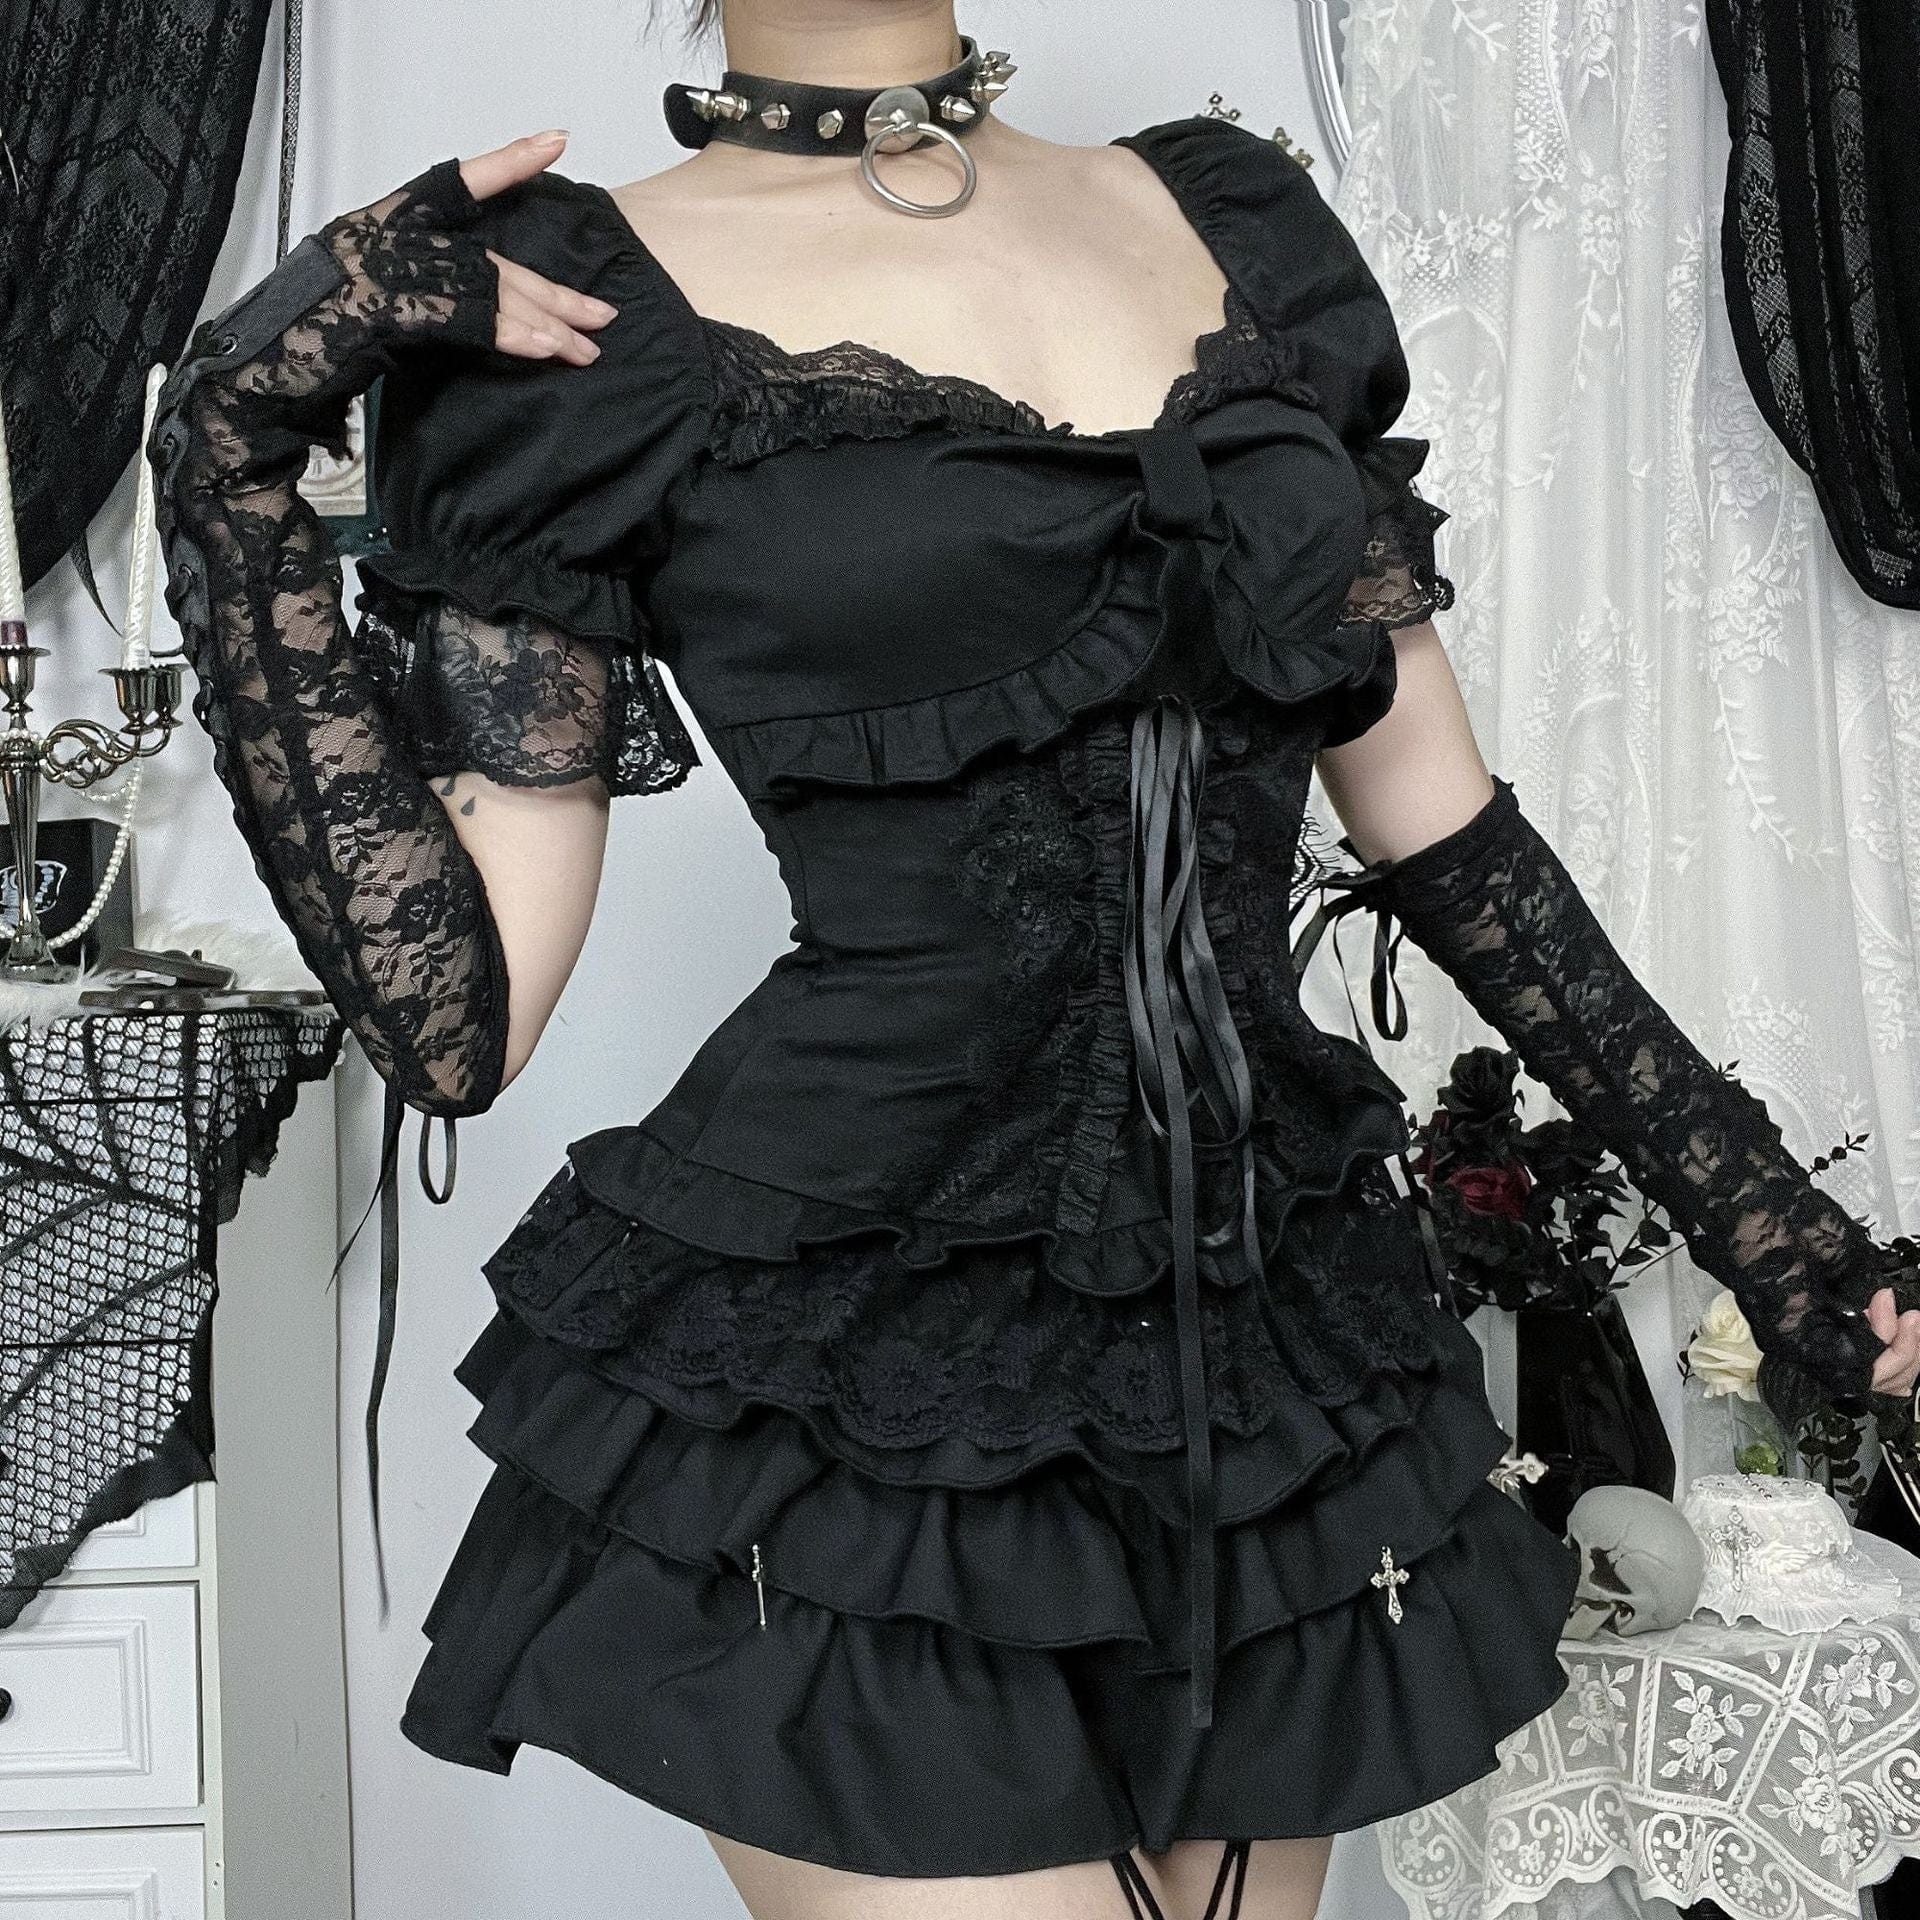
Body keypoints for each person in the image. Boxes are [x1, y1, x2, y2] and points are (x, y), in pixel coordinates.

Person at [147, 4, 1920, 1916]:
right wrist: (231, 437)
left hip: (1267, 1351)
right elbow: (454, 1024)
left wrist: (1784, 1244)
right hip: (856, 1374)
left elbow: (1452, 840)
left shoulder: (1237, 223)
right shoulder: (581, 312)